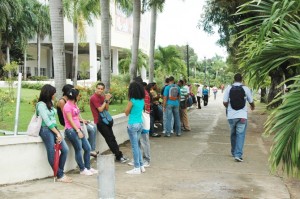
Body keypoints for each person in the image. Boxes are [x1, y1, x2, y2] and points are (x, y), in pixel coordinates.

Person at [37, 84, 72, 183]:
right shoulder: (40, 105)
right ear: (48, 94)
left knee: (65, 149)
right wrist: (57, 133)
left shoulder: (50, 103)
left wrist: (57, 132)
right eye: (53, 93)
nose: (55, 95)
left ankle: (59, 172)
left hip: (54, 129)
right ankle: (60, 175)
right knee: (52, 152)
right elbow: (47, 121)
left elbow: (52, 120)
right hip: (45, 130)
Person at [90, 83, 128, 163]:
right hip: (100, 122)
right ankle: (118, 156)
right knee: (109, 139)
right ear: (96, 89)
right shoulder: (93, 98)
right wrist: (106, 100)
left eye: (101, 89)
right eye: (98, 88)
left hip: (106, 120)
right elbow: (100, 109)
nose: (100, 90)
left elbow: (106, 109)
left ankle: (119, 155)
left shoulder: (102, 97)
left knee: (112, 138)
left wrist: (106, 100)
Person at [57, 84, 98, 157]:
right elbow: (67, 116)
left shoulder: (73, 100)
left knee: (93, 127)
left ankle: (92, 149)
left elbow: (76, 114)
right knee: (90, 130)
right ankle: (90, 150)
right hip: (68, 123)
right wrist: (79, 124)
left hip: (75, 121)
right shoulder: (62, 101)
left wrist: (82, 120)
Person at [63, 88, 98, 175]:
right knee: (78, 149)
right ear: (75, 96)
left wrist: (82, 121)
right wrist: (78, 130)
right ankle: (82, 169)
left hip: (78, 129)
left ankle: (88, 167)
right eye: (78, 95)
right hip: (71, 130)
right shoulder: (67, 106)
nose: (79, 97)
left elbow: (76, 116)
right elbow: (70, 120)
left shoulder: (74, 105)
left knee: (87, 148)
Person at [223, 73, 255, 162]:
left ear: (234, 79)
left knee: (233, 133)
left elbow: (225, 102)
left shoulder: (229, 88)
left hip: (231, 116)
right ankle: (238, 155)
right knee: (240, 135)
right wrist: (252, 106)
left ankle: (233, 152)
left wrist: (229, 108)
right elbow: (251, 101)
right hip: (242, 117)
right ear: (242, 79)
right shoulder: (246, 88)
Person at [124, 81, 145, 174]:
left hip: (132, 124)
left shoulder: (132, 100)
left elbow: (126, 112)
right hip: (140, 123)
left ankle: (137, 167)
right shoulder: (142, 100)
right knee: (137, 145)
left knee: (134, 147)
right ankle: (141, 165)